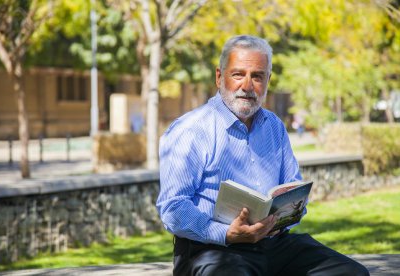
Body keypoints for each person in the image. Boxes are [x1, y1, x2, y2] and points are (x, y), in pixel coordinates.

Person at [157, 35, 369, 276]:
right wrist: (225, 233)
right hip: (213, 249)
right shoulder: (190, 130)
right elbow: (172, 208)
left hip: (274, 243)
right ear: (219, 77)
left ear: (268, 80)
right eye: (238, 74)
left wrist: (284, 216)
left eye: (257, 76)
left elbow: (293, 189)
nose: (247, 86)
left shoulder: (274, 127)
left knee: (352, 273)